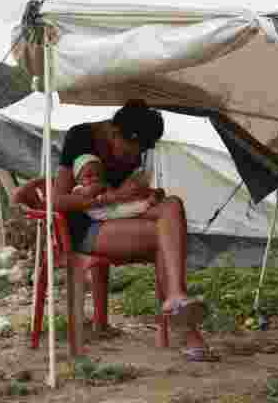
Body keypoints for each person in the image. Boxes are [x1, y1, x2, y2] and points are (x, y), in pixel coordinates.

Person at [53, 100, 217, 361]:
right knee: (166, 237)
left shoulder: (133, 148)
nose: (135, 158)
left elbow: (128, 198)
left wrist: (146, 196)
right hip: (86, 227)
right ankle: (188, 331)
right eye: (131, 151)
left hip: (120, 217)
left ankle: (176, 296)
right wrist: (113, 197)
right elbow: (57, 200)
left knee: (172, 206)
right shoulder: (80, 137)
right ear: (116, 134)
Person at [71, 154, 159, 221]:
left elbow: (112, 193)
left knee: (127, 200)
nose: (95, 178)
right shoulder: (78, 189)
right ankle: (148, 203)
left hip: (111, 206)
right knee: (128, 209)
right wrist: (103, 187)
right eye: (89, 175)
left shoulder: (101, 185)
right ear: (78, 179)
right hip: (106, 213)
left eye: (98, 174)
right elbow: (89, 192)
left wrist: (111, 190)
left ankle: (146, 196)